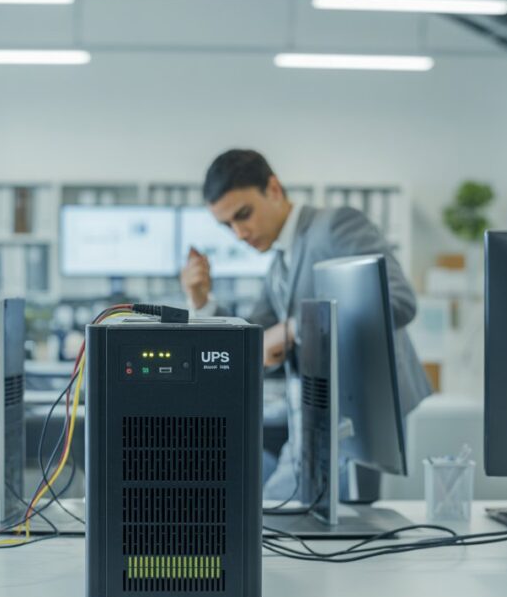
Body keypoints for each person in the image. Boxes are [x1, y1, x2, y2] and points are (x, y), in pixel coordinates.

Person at [180, 149, 432, 500]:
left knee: (324, 526)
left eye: (244, 214)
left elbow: (398, 302)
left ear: (273, 189)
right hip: (314, 420)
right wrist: (201, 300)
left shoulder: (336, 226)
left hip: (357, 421)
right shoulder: (279, 264)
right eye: (228, 225)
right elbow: (251, 338)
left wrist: (293, 329)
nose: (239, 233)